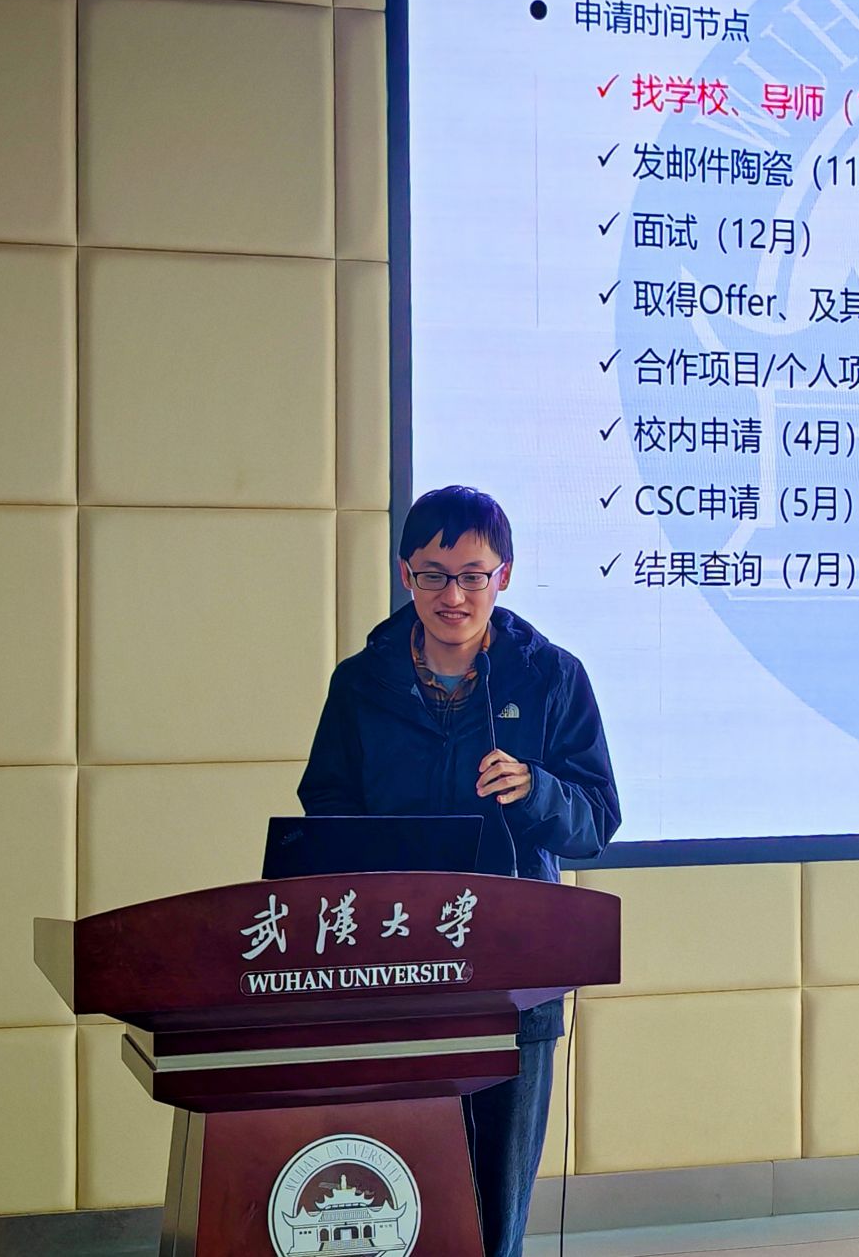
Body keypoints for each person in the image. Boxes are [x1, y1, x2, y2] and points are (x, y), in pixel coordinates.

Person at [298, 484, 620, 1257]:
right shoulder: (360, 684)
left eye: (473, 576)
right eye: (434, 576)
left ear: (503, 575)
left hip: (517, 972)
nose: (454, 596)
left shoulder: (552, 678)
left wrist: (536, 789)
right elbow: (326, 805)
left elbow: (595, 820)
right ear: (404, 574)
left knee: (495, 1202)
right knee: (398, 1190)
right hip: (393, 969)